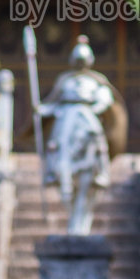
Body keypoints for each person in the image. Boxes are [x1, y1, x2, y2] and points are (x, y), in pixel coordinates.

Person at [38, 36, 117, 235]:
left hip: (87, 113)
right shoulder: (65, 80)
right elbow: (53, 102)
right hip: (66, 115)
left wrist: (96, 108)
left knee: (97, 136)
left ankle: (102, 171)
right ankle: (51, 171)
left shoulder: (96, 81)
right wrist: (41, 109)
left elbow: (105, 99)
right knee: (55, 142)